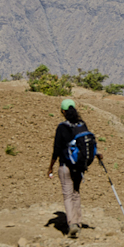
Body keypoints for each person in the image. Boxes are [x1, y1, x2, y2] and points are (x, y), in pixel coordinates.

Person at [46, 99, 99, 238]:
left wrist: (50, 167)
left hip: (65, 165)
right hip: (79, 166)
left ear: (62, 111)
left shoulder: (62, 127)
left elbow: (56, 149)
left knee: (68, 195)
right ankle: (78, 223)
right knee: (76, 194)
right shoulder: (82, 125)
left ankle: (72, 224)